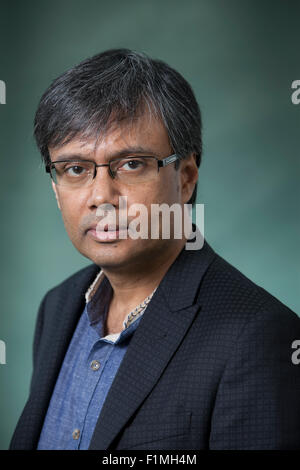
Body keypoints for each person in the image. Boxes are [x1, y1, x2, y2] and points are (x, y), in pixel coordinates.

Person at [10, 49, 300, 450]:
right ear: (56, 190)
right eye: (75, 169)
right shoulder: (58, 308)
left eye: (131, 164)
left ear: (185, 178)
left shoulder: (257, 336)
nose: (101, 197)